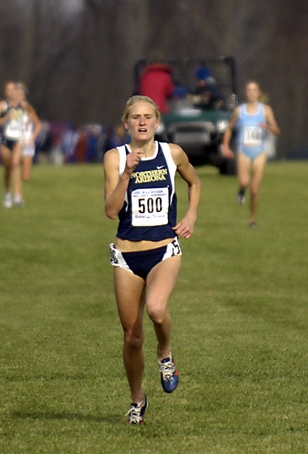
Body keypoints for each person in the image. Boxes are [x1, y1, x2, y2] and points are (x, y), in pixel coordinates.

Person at [103, 95, 201, 425]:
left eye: (148, 116)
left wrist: (190, 216)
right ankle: (137, 401)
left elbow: (195, 181)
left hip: (163, 250)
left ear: (157, 122)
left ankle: (165, 354)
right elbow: (111, 211)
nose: (142, 122)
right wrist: (127, 174)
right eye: (135, 117)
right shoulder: (114, 158)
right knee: (131, 336)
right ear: (126, 123)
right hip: (127, 256)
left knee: (157, 309)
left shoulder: (171, 153)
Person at [222, 81, 280, 228]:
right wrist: (226, 146)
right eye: (249, 90)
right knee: (244, 182)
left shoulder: (266, 110)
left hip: (260, 152)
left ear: (258, 93)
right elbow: (229, 129)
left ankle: (252, 219)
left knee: (254, 189)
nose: (252, 92)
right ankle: (241, 191)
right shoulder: (239, 111)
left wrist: (267, 127)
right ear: (246, 93)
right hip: (243, 151)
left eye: (254, 90)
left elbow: (276, 130)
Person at [0, 81, 28, 208]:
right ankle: (6, 192)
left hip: (18, 138)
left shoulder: (23, 105)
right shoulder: (2, 105)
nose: (11, 92)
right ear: (5, 92)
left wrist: (28, 124)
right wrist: (4, 119)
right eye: (8, 90)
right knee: (8, 169)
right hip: (5, 140)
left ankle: (17, 195)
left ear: (16, 91)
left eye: (13, 89)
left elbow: (31, 117)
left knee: (15, 163)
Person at [15, 82, 41, 182]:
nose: (19, 94)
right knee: (14, 168)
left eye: (21, 92)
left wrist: (32, 138)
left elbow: (38, 125)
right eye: (17, 92)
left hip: (27, 142)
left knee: (25, 177)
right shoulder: (9, 108)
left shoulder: (28, 108)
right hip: (15, 142)